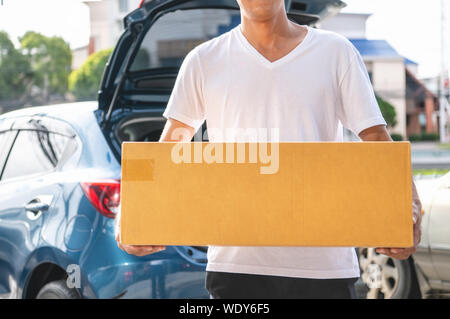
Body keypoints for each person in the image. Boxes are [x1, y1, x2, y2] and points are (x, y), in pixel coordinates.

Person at [116, 0, 422, 299]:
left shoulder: (336, 52)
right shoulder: (204, 60)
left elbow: (377, 141)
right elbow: (168, 150)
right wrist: (128, 215)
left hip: (324, 268)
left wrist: (409, 208)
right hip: (235, 267)